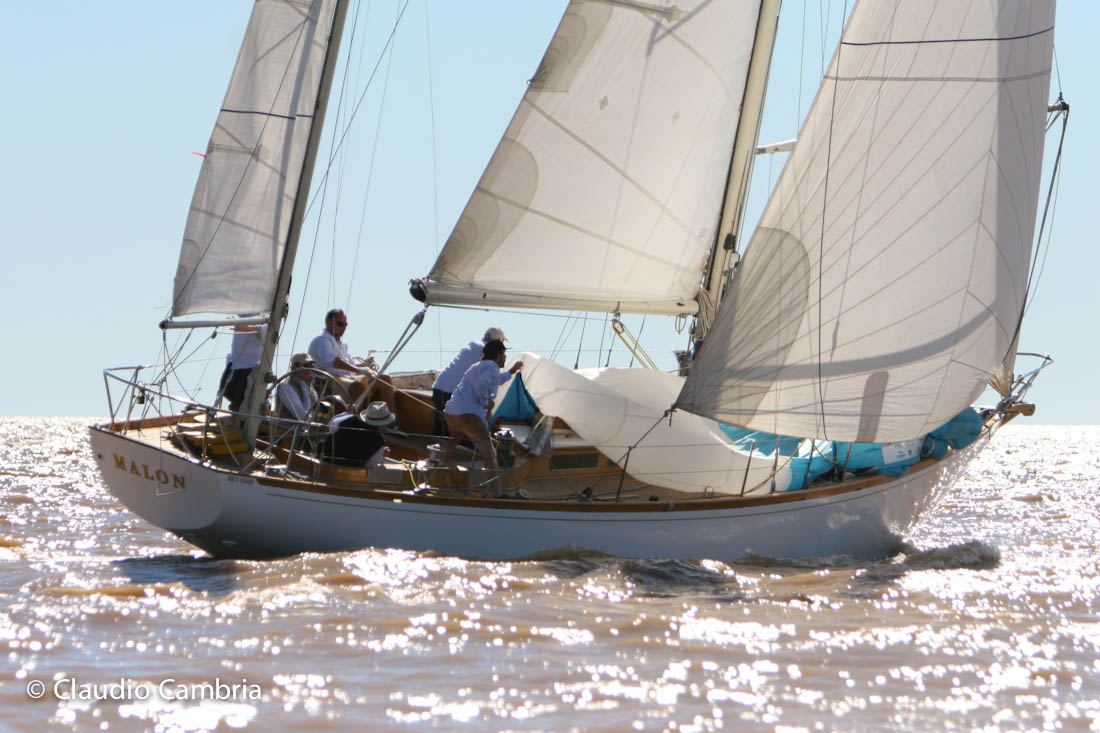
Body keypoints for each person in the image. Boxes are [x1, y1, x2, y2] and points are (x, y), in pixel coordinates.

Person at [442, 339, 523, 497]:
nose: (505, 358)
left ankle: (433, 467)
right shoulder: (492, 367)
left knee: (453, 440)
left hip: (451, 413)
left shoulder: (477, 366)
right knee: (490, 454)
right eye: (504, 354)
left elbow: (495, 380)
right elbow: (481, 384)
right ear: (498, 354)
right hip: (469, 415)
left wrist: (512, 371)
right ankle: (497, 494)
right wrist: (487, 403)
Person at [431, 326, 520, 436]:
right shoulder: (487, 353)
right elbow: (489, 380)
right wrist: (486, 402)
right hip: (452, 395)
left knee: (442, 432)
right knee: (462, 435)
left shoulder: (473, 344)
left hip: (439, 388)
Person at [307, 308, 396, 414]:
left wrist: (364, 365)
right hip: (331, 379)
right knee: (357, 387)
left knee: (384, 379)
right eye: (340, 324)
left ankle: (392, 418)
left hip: (348, 377)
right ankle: (354, 419)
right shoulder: (322, 340)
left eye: (345, 325)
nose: (344, 328)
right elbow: (335, 362)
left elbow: (349, 364)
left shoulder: (342, 343)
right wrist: (359, 370)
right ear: (329, 323)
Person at [321, 400, 396, 467]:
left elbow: (331, 425)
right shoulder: (378, 443)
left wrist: (348, 414)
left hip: (323, 458)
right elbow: (370, 465)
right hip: (345, 470)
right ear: (383, 424)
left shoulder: (348, 419)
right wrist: (382, 454)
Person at [218, 322, 267, 412]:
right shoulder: (241, 318)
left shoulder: (266, 326)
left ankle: (237, 411)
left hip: (250, 367)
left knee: (240, 395)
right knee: (225, 391)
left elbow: (260, 330)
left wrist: (244, 327)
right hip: (234, 363)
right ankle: (235, 409)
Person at [275, 353, 318, 422]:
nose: (308, 369)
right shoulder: (285, 387)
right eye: (305, 366)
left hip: (306, 427)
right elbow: (299, 413)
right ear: (294, 368)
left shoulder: (311, 390)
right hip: (287, 428)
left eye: (311, 366)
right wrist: (315, 424)